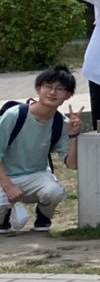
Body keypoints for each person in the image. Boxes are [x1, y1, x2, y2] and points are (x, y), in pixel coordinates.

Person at [0, 66, 83, 235]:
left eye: (59, 89)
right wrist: (8, 186)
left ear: (67, 95)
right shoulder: (14, 115)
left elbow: (72, 164)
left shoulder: (61, 123)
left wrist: (73, 135)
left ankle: (43, 217)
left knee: (54, 192)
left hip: (35, 175)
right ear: (38, 89)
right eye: (48, 86)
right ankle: (4, 216)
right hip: (5, 177)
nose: (52, 92)